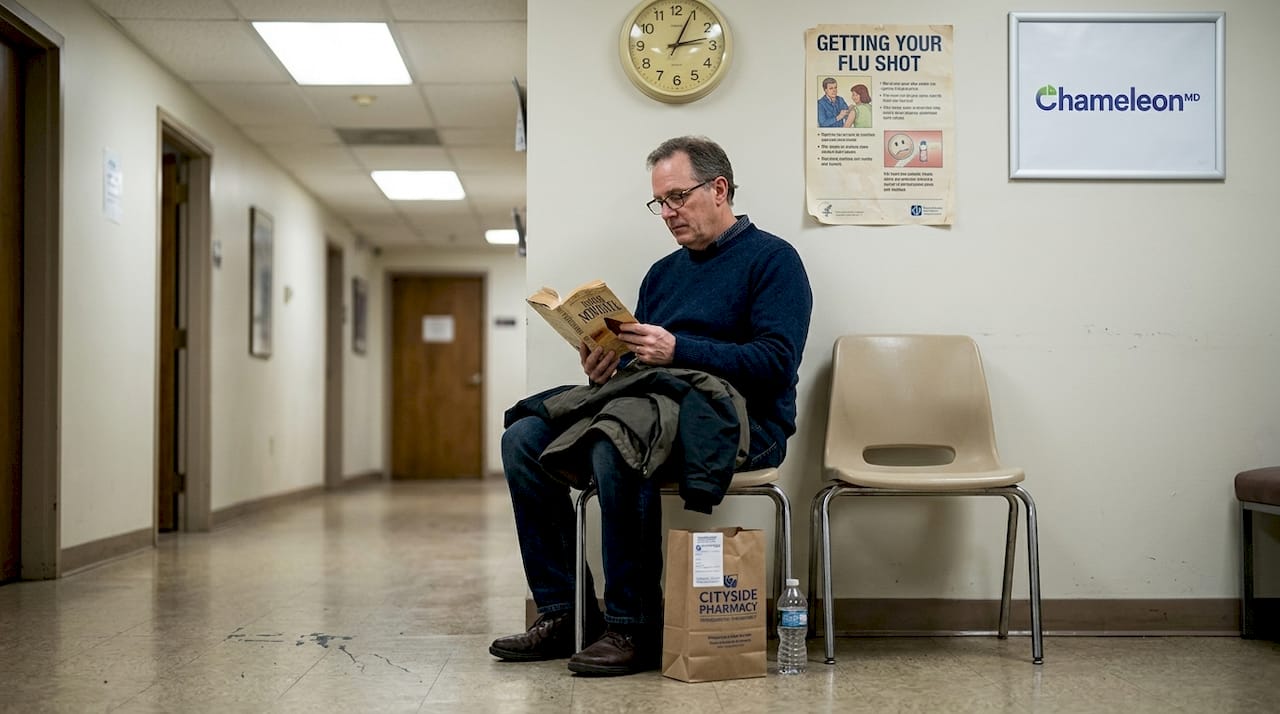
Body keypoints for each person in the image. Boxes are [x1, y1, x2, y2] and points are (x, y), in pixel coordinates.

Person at [489, 136, 812, 676]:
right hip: (654, 407)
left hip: (744, 424)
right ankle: (565, 614)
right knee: (522, 439)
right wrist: (607, 366)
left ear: (719, 189)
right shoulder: (662, 274)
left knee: (619, 439)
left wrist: (679, 348)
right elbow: (647, 368)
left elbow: (776, 363)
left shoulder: (774, 261)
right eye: (659, 202)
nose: (668, 213)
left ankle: (633, 626)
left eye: (678, 197)